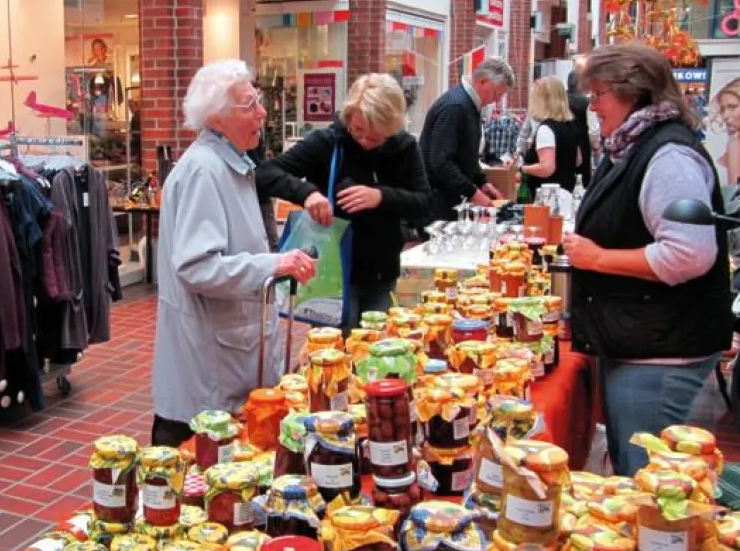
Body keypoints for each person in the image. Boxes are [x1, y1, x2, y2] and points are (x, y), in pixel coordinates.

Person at [563, 44, 732, 476]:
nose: (593, 105)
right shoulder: (634, 146)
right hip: (642, 337)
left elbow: (689, 254)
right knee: (630, 464)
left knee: (646, 478)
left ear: (631, 92)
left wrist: (598, 258)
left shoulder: (668, 156)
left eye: (599, 93)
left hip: (661, 349)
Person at [151, 60, 316, 446]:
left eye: (258, 101)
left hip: (232, 353)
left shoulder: (230, 164)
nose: (262, 112)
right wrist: (274, 264)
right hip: (210, 371)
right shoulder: (203, 171)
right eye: (249, 105)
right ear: (216, 119)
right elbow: (197, 267)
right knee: (195, 463)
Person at [256, 73, 432, 330]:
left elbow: (425, 202)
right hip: (333, 271)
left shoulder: (403, 147)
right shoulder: (329, 142)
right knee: (336, 353)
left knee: (375, 354)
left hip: (381, 272)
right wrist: (307, 193)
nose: (364, 141)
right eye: (358, 130)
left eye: (375, 136)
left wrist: (381, 196)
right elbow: (265, 173)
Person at [419, 58, 514, 219]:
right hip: (437, 203)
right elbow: (441, 162)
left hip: (450, 199)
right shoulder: (456, 107)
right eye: (497, 95)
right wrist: (473, 192)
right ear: (483, 82)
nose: (496, 102)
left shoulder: (469, 105)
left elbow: (466, 156)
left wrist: (482, 182)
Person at [520, 76, 582, 196]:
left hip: (546, 197)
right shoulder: (570, 125)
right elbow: (578, 160)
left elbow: (546, 168)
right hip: (566, 192)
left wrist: (522, 169)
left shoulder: (546, 129)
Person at [566, 68, 593, 187]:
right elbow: (593, 129)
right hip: (583, 145)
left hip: (561, 146)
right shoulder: (587, 102)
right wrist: (596, 147)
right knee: (582, 182)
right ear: (579, 83)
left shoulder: (559, 100)